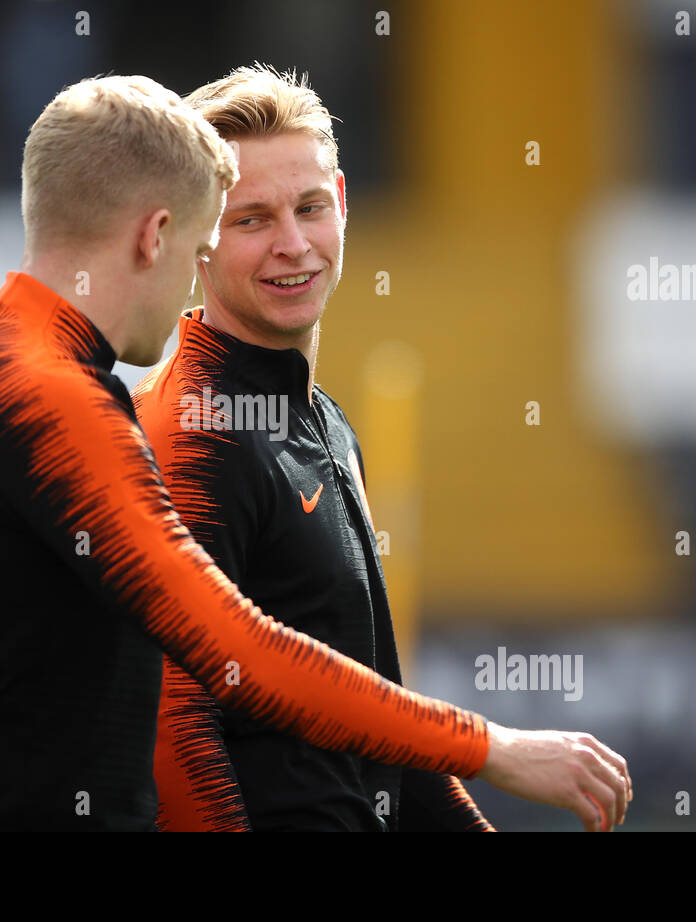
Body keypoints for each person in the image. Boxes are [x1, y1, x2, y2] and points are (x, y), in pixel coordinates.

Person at [0, 74, 631, 831]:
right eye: (215, 235)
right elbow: (233, 652)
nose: (203, 273)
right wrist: (492, 745)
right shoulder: (62, 400)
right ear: (157, 234)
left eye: (310, 209)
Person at [134, 64, 628, 831]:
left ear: (343, 202)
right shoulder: (189, 434)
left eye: (309, 208)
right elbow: (170, 730)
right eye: (252, 220)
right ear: (196, 236)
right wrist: (490, 745)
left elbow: (382, 736)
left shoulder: (326, 424)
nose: (293, 245)